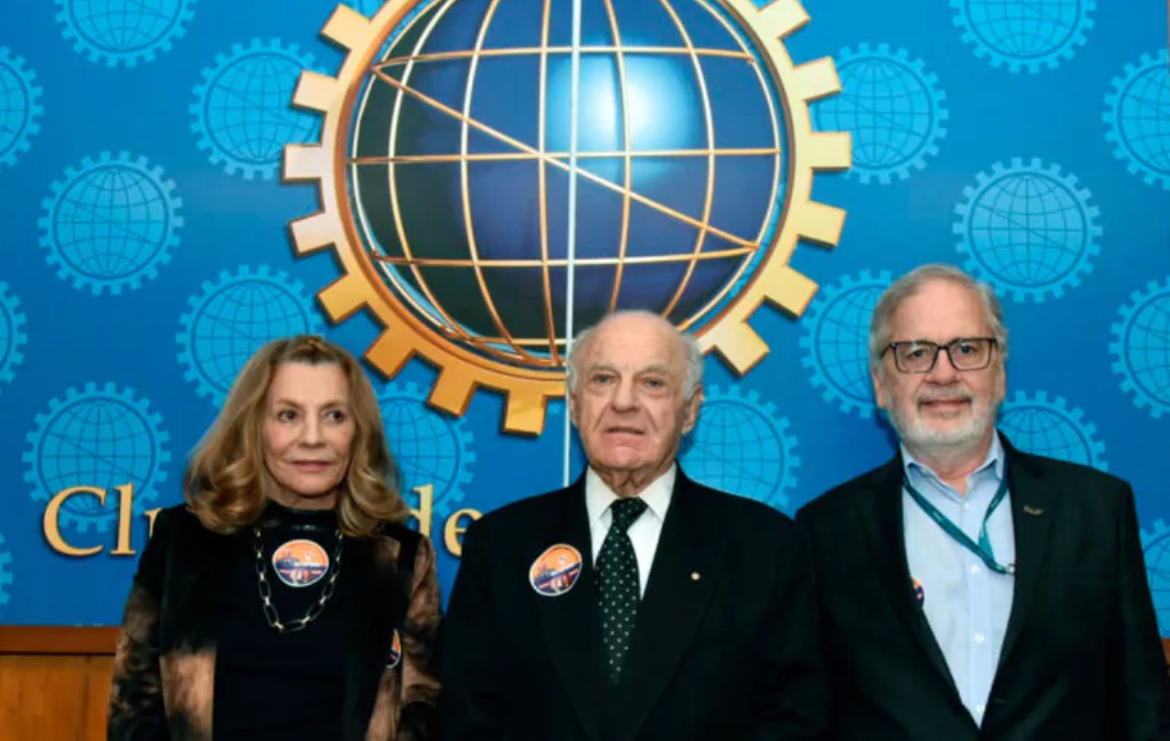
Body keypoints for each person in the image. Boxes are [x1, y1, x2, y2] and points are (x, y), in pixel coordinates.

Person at [796, 264, 1170, 740]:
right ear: (881, 385)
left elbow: (1144, 703)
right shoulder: (824, 531)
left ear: (1001, 374)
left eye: (968, 349)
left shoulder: (1096, 510)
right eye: (916, 353)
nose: (943, 373)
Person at [440, 310, 826, 741]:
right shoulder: (501, 545)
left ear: (690, 410)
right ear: (574, 404)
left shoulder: (765, 547)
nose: (623, 402)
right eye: (603, 379)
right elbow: (468, 720)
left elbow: (793, 718)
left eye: (652, 383)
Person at [107, 335, 441, 741]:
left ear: (359, 431)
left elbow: (423, 710)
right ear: (253, 426)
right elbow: (134, 705)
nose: (313, 438)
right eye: (288, 415)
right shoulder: (183, 540)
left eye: (335, 415)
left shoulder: (399, 556)